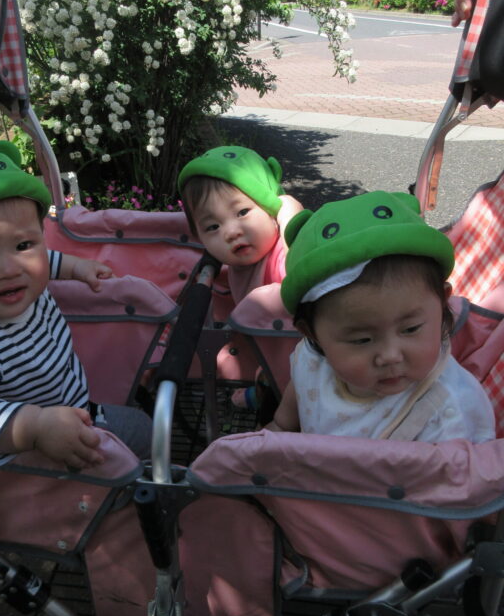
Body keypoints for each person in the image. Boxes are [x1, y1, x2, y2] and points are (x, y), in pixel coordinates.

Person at [0, 141, 152, 468]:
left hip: (79, 408)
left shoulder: (17, 282)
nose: (10, 269)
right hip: (47, 451)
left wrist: (76, 267)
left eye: (22, 245)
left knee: (144, 427)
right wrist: (34, 427)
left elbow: (43, 258)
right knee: (147, 435)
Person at [269, 190, 495, 442]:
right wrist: (280, 425)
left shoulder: (449, 412)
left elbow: (461, 468)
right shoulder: (313, 358)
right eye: (362, 340)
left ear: (442, 303)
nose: (390, 356)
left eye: (410, 329)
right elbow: (298, 394)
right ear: (312, 334)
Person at [178, 145, 303, 411]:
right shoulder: (242, 264)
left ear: (271, 209)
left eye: (243, 212)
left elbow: (302, 261)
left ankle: (267, 399)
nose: (231, 232)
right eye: (213, 226)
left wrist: (289, 213)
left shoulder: (283, 258)